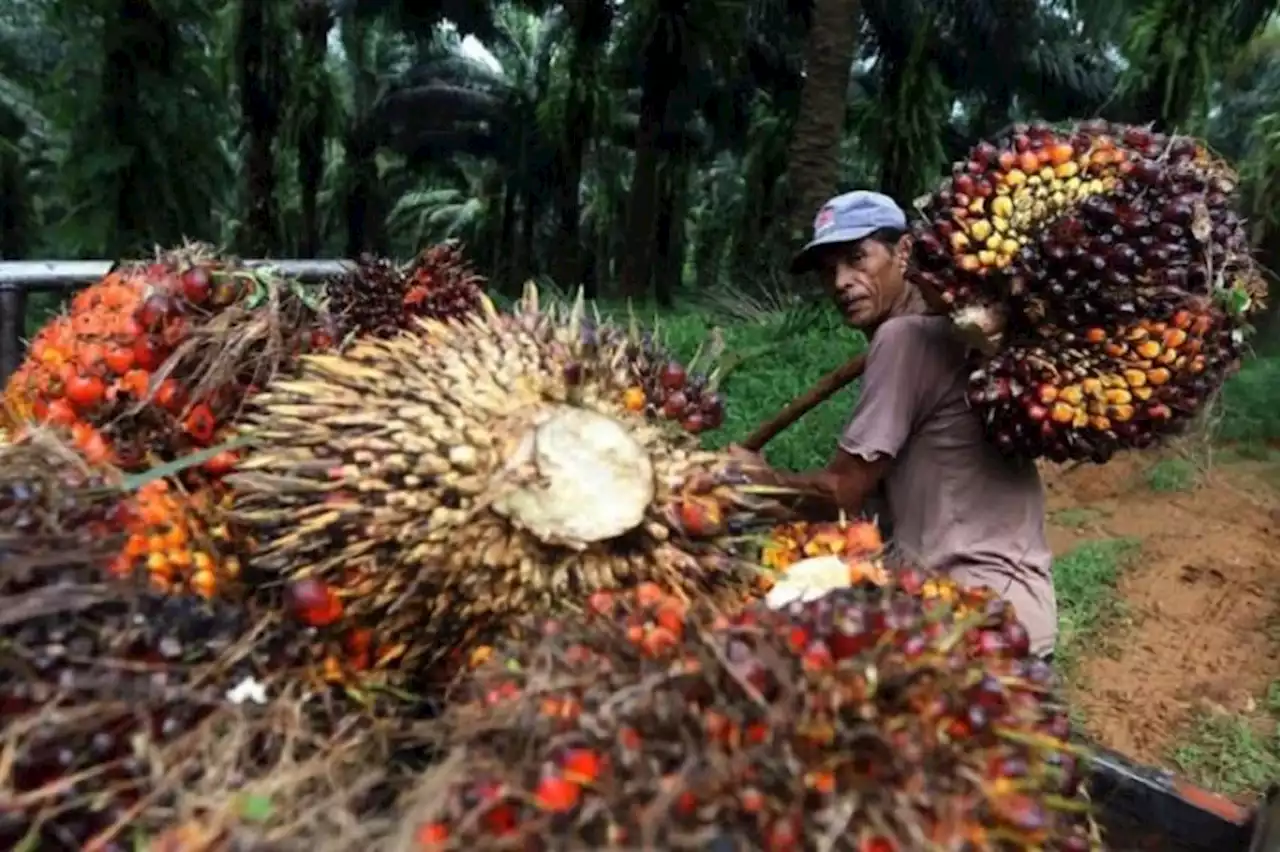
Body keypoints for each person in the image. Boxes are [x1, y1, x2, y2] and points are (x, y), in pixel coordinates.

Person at [744, 190, 1057, 661]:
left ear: (904, 252)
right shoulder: (948, 334)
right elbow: (866, 512)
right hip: (1009, 617)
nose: (842, 282)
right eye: (829, 271)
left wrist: (755, 484)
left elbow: (842, 491)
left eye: (857, 259)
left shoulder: (904, 339)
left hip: (973, 626)